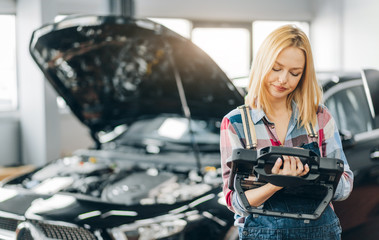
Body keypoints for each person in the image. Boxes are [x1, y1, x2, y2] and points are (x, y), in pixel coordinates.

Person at [220, 25, 353, 240]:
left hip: (319, 232)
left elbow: (345, 186)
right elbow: (234, 202)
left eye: (294, 73)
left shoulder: (319, 117)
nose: (283, 79)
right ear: (263, 63)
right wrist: (276, 183)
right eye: (276, 68)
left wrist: (310, 174)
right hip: (262, 234)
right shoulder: (236, 123)